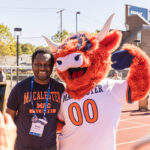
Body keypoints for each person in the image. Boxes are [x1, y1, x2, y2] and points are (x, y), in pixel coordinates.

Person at [44, 14, 150, 150]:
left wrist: (137, 58)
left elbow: (141, 87)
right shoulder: (64, 95)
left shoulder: (111, 87)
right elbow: (58, 124)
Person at [6, 48, 65, 150]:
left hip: (49, 147)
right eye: (38, 64)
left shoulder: (60, 89)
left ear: (52, 66)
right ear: (32, 65)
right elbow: (9, 118)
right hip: (21, 147)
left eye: (47, 64)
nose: (42, 68)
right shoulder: (20, 88)